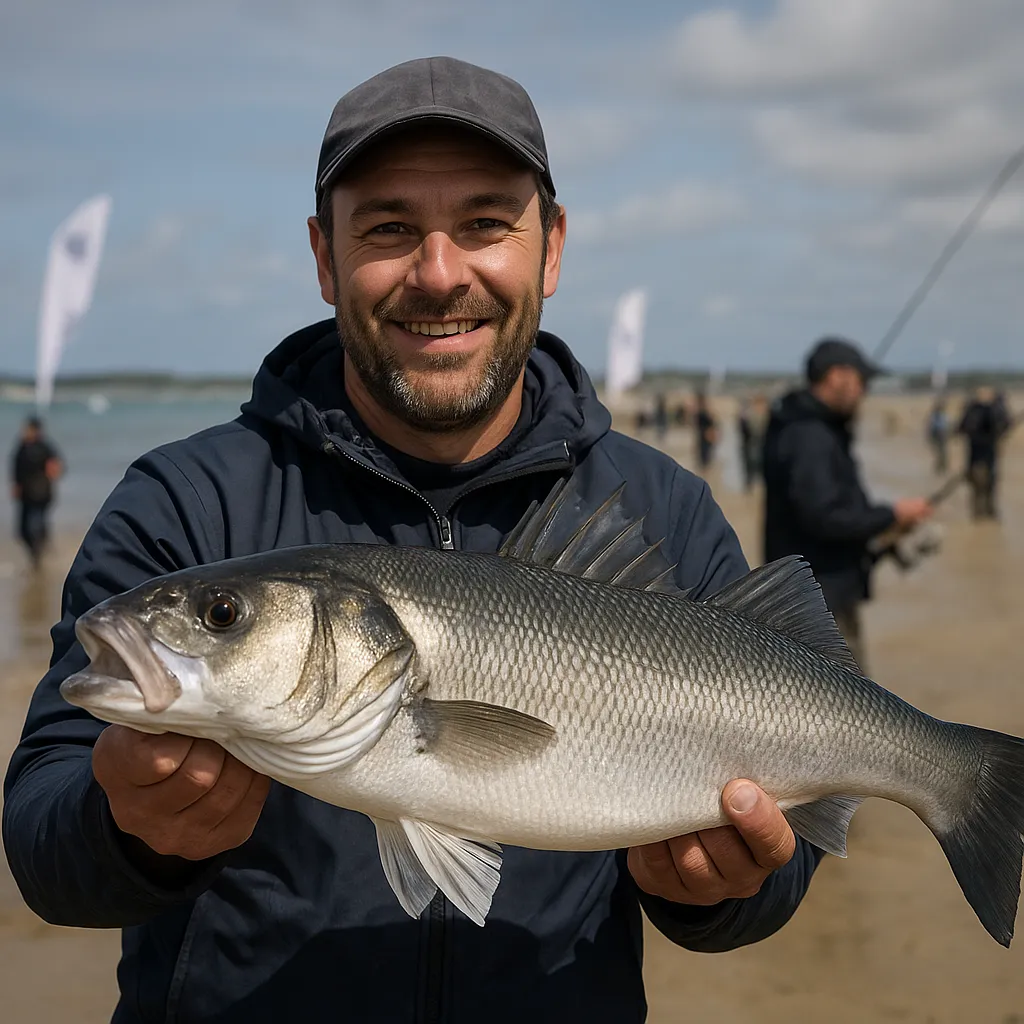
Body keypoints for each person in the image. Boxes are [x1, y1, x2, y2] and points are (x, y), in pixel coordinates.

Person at [4, 58, 823, 1024]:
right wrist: (125, 831)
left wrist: (731, 889)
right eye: (389, 229)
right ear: (324, 256)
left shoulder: (663, 508)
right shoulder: (183, 501)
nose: (440, 275)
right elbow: (44, 839)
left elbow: (780, 852)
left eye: (486, 224)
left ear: (551, 249)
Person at [761, 337, 932, 669]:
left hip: (815, 589)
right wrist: (891, 514)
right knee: (849, 706)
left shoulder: (808, 425)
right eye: (861, 381)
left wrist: (888, 525)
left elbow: (830, 508)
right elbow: (823, 516)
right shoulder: (810, 436)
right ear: (836, 376)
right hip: (818, 598)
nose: (864, 391)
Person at [9, 415, 63, 566]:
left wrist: (54, 470)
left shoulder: (45, 447)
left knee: (35, 525)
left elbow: (58, 465)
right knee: (21, 531)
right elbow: (15, 467)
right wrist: (15, 485)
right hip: (25, 494)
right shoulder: (21, 446)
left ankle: (38, 558)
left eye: (30, 429)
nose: (26, 431)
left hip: (41, 493)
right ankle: (36, 553)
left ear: (37, 430)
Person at [958, 386, 1011, 519]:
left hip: (978, 455)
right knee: (987, 484)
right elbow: (1005, 426)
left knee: (980, 485)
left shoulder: (972, 410)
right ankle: (987, 511)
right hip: (985, 454)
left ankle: (981, 512)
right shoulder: (995, 410)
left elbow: (960, 429)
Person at [737, 395, 767, 491]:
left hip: (757, 446)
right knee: (750, 468)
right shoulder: (751, 416)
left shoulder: (762, 416)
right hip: (751, 446)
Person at [694, 390, 717, 470]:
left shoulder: (704, 412)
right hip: (703, 435)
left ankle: (705, 468)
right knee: (704, 454)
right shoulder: (702, 411)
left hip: (705, 435)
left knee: (705, 454)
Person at [926, 397, 950, 474]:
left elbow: (947, 426)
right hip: (937, 436)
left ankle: (943, 468)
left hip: (942, 435)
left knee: (943, 453)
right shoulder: (935, 416)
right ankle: (940, 468)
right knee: (940, 453)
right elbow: (931, 427)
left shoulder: (943, 415)